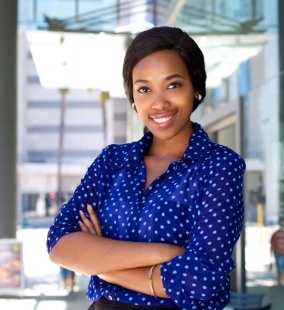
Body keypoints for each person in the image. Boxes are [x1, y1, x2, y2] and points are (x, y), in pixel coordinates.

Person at [47, 26, 246, 310]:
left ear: (196, 88)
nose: (159, 102)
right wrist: (165, 253)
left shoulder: (219, 167)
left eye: (173, 84)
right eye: (144, 89)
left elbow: (202, 279)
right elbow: (59, 244)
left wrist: (100, 262)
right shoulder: (112, 161)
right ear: (132, 98)